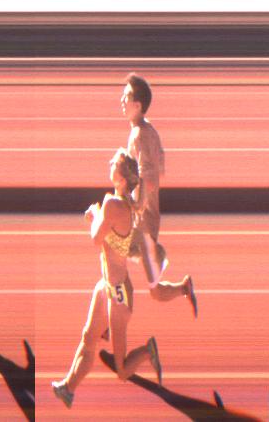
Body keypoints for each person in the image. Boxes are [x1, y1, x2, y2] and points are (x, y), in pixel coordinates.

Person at [52, 152, 164, 405]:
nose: (109, 164)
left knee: (121, 371)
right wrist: (97, 216)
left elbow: (95, 239)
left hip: (118, 295)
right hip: (108, 285)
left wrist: (93, 216)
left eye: (114, 164)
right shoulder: (117, 203)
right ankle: (68, 388)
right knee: (88, 337)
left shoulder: (114, 205)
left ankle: (148, 351)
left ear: (122, 179)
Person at [116, 75, 195, 314]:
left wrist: (134, 204)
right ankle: (183, 287)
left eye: (126, 97)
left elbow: (150, 178)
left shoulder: (140, 135)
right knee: (116, 255)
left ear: (137, 105)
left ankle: (115, 314)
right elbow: (158, 169)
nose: (121, 100)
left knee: (151, 288)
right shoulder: (147, 131)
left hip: (143, 225)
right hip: (143, 221)